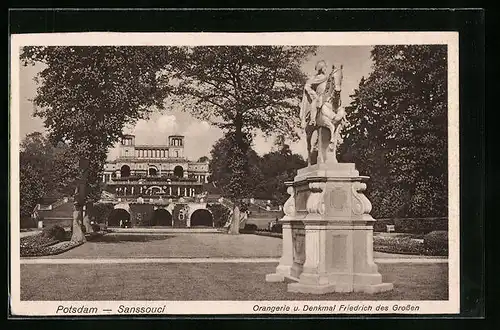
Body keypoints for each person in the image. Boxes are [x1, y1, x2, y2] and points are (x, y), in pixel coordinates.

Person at [300, 60, 329, 128]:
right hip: (318, 96)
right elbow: (307, 86)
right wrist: (312, 94)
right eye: (324, 67)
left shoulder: (327, 77)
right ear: (321, 68)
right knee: (315, 102)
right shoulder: (315, 78)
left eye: (326, 67)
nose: (325, 69)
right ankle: (312, 120)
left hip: (325, 96)